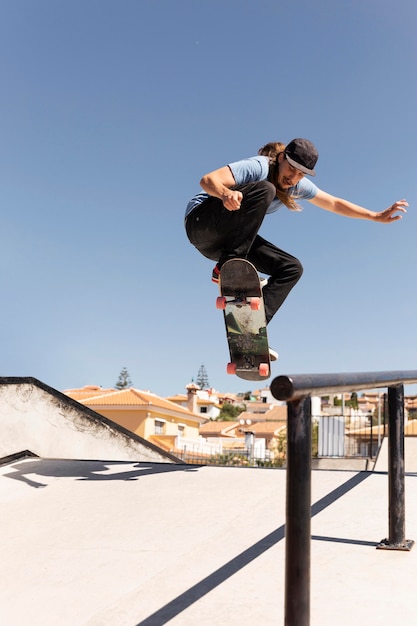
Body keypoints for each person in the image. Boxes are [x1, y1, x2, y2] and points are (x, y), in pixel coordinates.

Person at [184, 138, 408, 358]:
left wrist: (375, 216)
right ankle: (228, 267)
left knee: (291, 268)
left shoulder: (298, 185)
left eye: (301, 174)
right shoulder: (259, 166)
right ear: (281, 158)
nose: (293, 178)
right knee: (265, 190)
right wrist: (225, 193)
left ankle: (250, 331)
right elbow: (207, 180)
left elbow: (334, 203)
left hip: (223, 243)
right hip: (200, 223)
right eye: (291, 169)